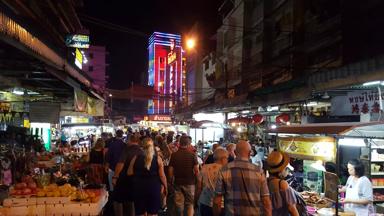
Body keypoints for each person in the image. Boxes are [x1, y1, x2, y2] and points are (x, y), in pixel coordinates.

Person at [213, 140, 272, 216]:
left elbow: (217, 201)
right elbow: (266, 201)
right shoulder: (259, 171)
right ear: (250, 152)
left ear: (235, 152)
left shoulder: (224, 170)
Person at [132, 138, 168, 216]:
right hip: (153, 187)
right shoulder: (158, 159)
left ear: (142, 146)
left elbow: (129, 172)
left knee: (141, 212)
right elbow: (162, 175)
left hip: (139, 187)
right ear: (152, 147)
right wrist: (166, 186)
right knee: (152, 213)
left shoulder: (136, 157)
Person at [113, 133, 143, 216]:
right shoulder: (141, 151)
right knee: (132, 200)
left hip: (124, 178)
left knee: (117, 199)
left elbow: (120, 164)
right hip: (136, 179)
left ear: (130, 140)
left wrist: (115, 176)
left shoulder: (127, 150)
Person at [168, 135, 199, 216]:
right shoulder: (192, 155)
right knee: (190, 204)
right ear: (188, 143)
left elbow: (170, 170)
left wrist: (170, 180)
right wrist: (197, 181)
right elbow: (196, 170)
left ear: (179, 143)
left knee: (179, 204)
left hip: (177, 182)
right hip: (190, 182)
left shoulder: (174, 155)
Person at [196, 148, 228, 216]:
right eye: (227, 158)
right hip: (221, 205)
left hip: (205, 203)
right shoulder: (227, 170)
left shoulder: (204, 167)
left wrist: (196, 201)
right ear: (223, 159)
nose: (227, 160)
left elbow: (198, 187)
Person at [266, 151, 299, 216]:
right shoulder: (282, 184)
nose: (287, 171)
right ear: (281, 170)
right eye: (286, 169)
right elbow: (292, 208)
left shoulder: (265, 181)